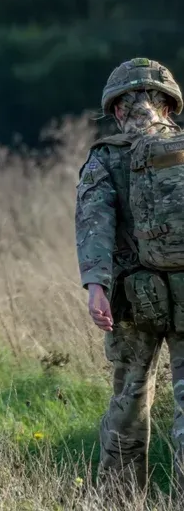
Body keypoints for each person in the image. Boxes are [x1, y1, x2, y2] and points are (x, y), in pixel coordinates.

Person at [76, 57, 184, 491]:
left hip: (132, 301)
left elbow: (94, 225)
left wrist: (96, 287)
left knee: (129, 404)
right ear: (170, 106)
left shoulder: (106, 158)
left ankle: (120, 501)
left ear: (117, 109)